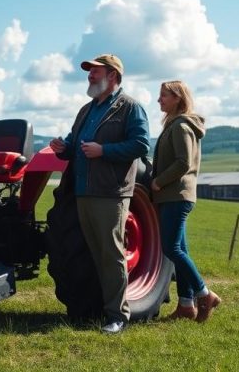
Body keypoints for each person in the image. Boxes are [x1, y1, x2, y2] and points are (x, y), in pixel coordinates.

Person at [49, 54, 150, 334]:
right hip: (82, 191)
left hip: (110, 192)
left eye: (95, 71)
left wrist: (104, 151)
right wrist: (63, 147)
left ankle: (118, 316)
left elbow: (141, 145)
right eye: (89, 72)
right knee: (94, 253)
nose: (90, 76)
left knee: (111, 254)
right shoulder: (86, 109)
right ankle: (95, 309)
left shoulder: (130, 107)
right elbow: (74, 144)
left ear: (113, 76)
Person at [150, 80, 220, 322]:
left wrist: (158, 181)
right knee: (181, 249)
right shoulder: (175, 124)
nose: (159, 100)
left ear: (178, 98)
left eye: (164, 96)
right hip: (174, 195)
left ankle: (205, 294)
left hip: (175, 195)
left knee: (172, 248)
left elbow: (183, 162)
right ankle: (186, 306)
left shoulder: (181, 126)